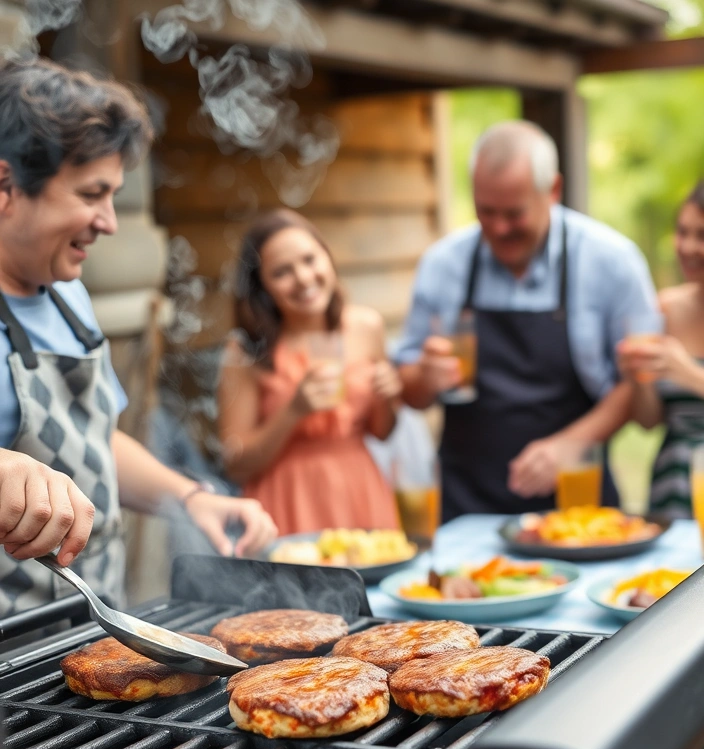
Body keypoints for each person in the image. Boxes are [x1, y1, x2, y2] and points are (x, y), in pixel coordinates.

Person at [0, 55, 276, 617]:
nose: (109, 221)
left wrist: (190, 497)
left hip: (90, 625)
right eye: (90, 194)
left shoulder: (68, 295)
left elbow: (95, 441)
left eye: (113, 195)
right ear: (5, 185)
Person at [395, 120, 659, 520]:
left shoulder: (611, 262)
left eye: (515, 214)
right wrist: (423, 377)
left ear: (552, 190)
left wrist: (572, 443)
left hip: (578, 506)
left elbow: (638, 378)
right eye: (487, 212)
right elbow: (410, 389)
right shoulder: (442, 265)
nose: (499, 229)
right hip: (467, 508)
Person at [218, 209, 402, 535]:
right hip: (286, 501)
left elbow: (381, 431)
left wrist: (388, 398)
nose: (303, 278)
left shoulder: (366, 326)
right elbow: (234, 463)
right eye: (281, 272)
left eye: (309, 260)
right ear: (262, 287)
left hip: (361, 492)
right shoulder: (245, 351)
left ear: (327, 258)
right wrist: (293, 411)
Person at [617, 183, 704, 518]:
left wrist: (690, 374)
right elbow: (648, 420)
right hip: (673, 489)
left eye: (702, 235)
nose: (688, 247)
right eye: (682, 232)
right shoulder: (664, 307)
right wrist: (638, 378)